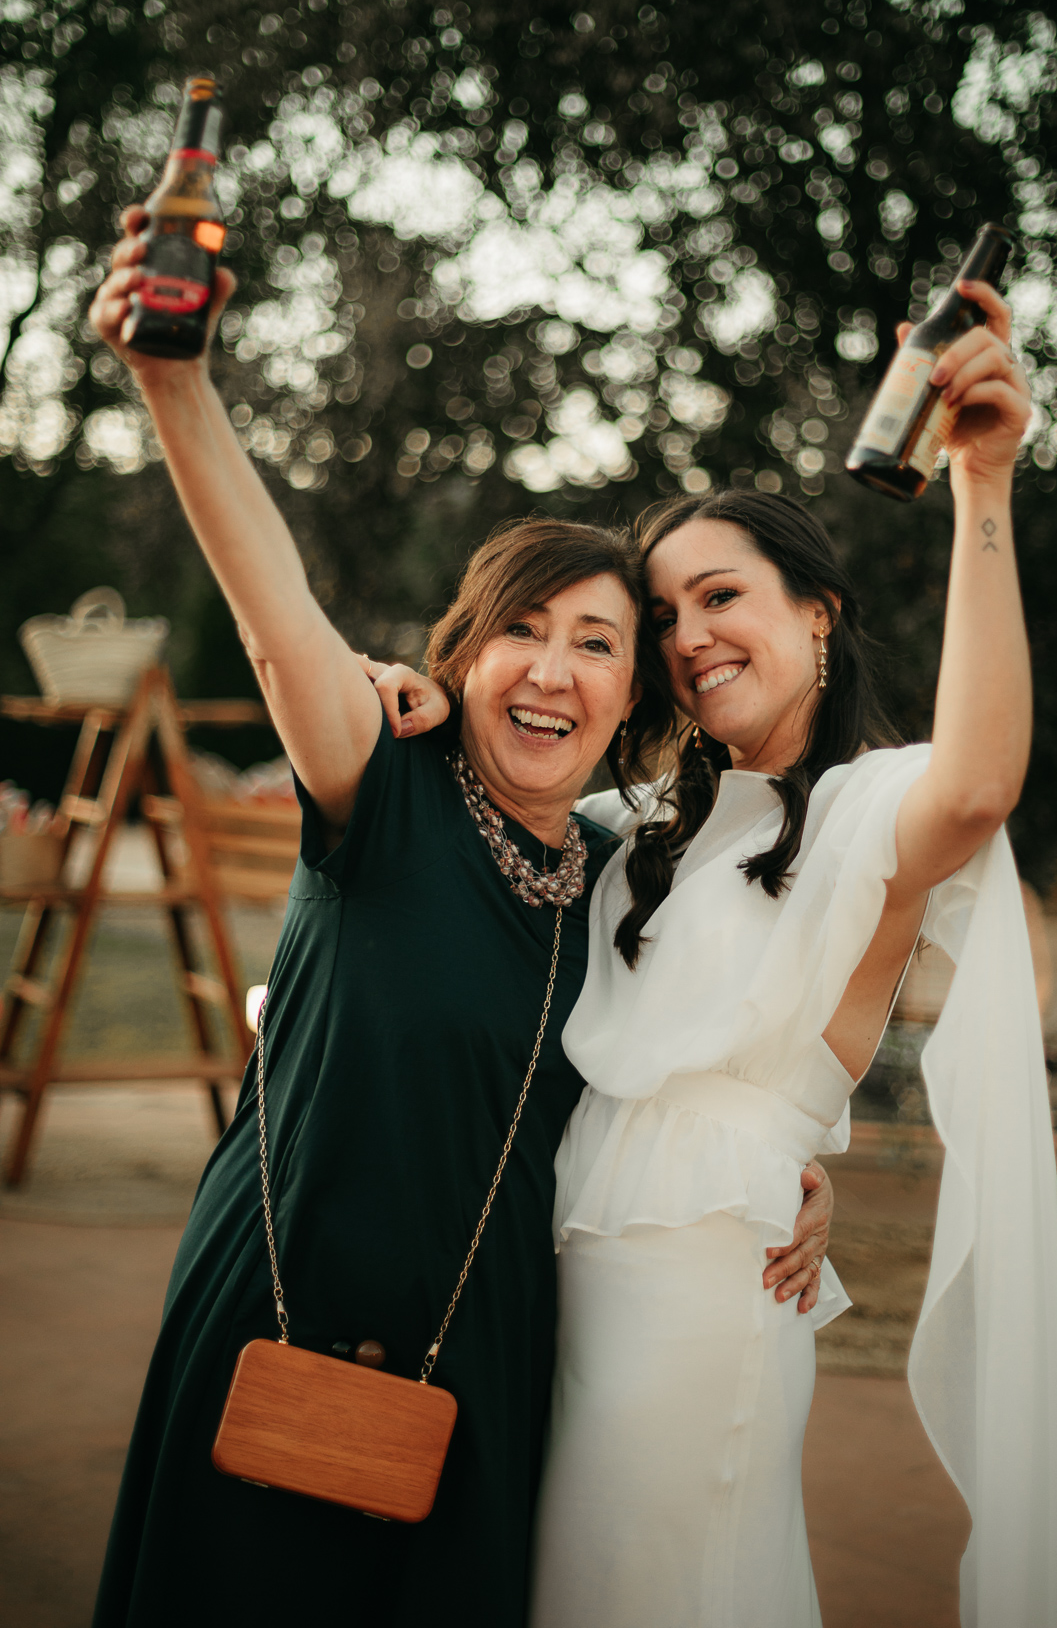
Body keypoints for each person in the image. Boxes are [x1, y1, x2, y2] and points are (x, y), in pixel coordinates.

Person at [85, 208, 835, 1628]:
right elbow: (270, 613)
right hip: (274, 1320)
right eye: (522, 629)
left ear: (636, 701)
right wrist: (176, 385)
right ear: (465, 653)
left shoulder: (627, 882)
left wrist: (793, 1166)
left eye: (597, 643)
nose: (552, 669)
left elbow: (700, 1068)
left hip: (482, 1371)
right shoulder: (380, 784)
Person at [380, 278, 1057, 1627]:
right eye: (664, 615)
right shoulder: (642, 825)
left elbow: (986, 785)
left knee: (665, 1586)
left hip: (703, 1287)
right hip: (565, 1269)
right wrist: (402, 700)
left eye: (723, 596)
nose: (690, 637)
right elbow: (493, 790)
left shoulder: (877, 807)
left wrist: (984, 486)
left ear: (818, 611)